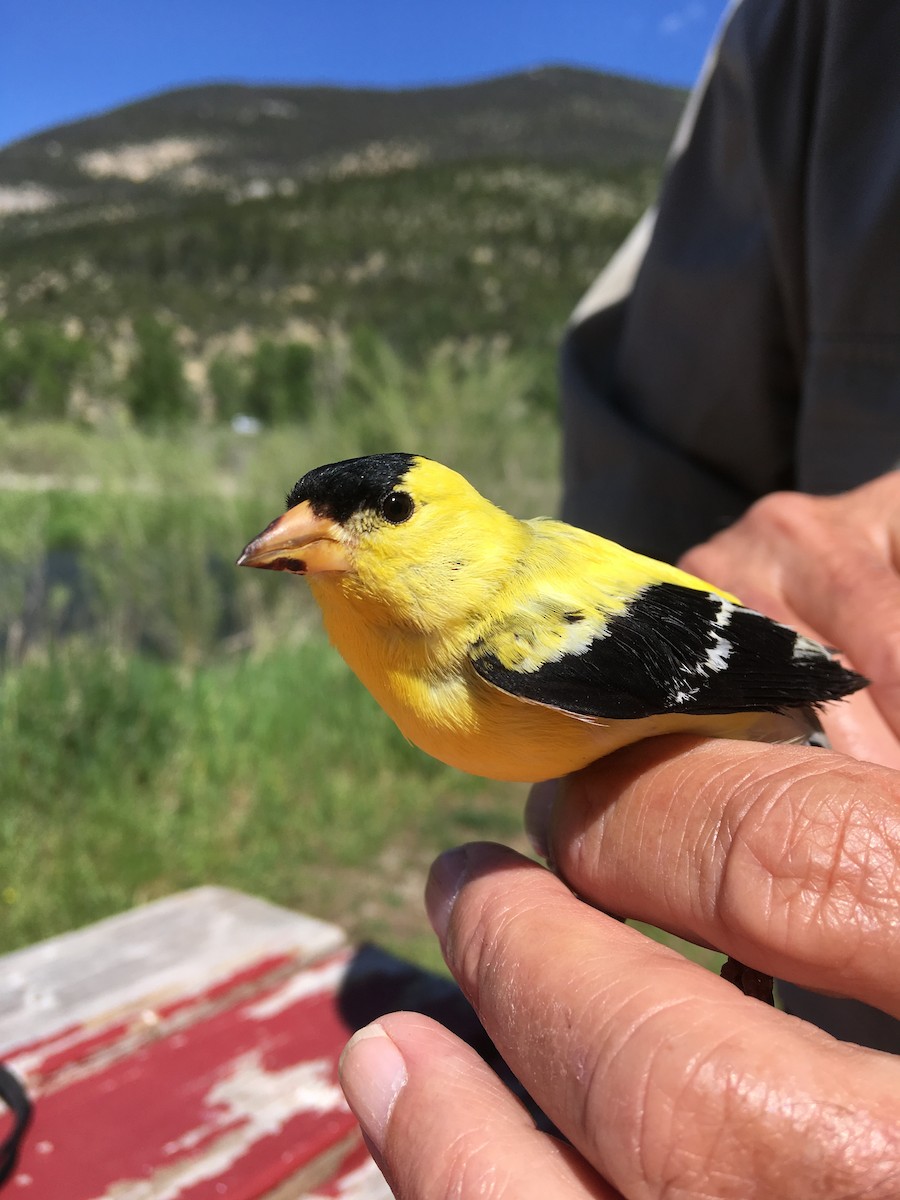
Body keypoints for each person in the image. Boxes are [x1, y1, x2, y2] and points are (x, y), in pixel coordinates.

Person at [340, 0, 900, 1193]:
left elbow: (720, 648)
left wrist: (811, 681)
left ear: (436, 517)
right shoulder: (816, 38)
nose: (317, 543)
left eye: (371, 516)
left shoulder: (512, 629)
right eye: (313, 523)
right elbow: (653, 448)